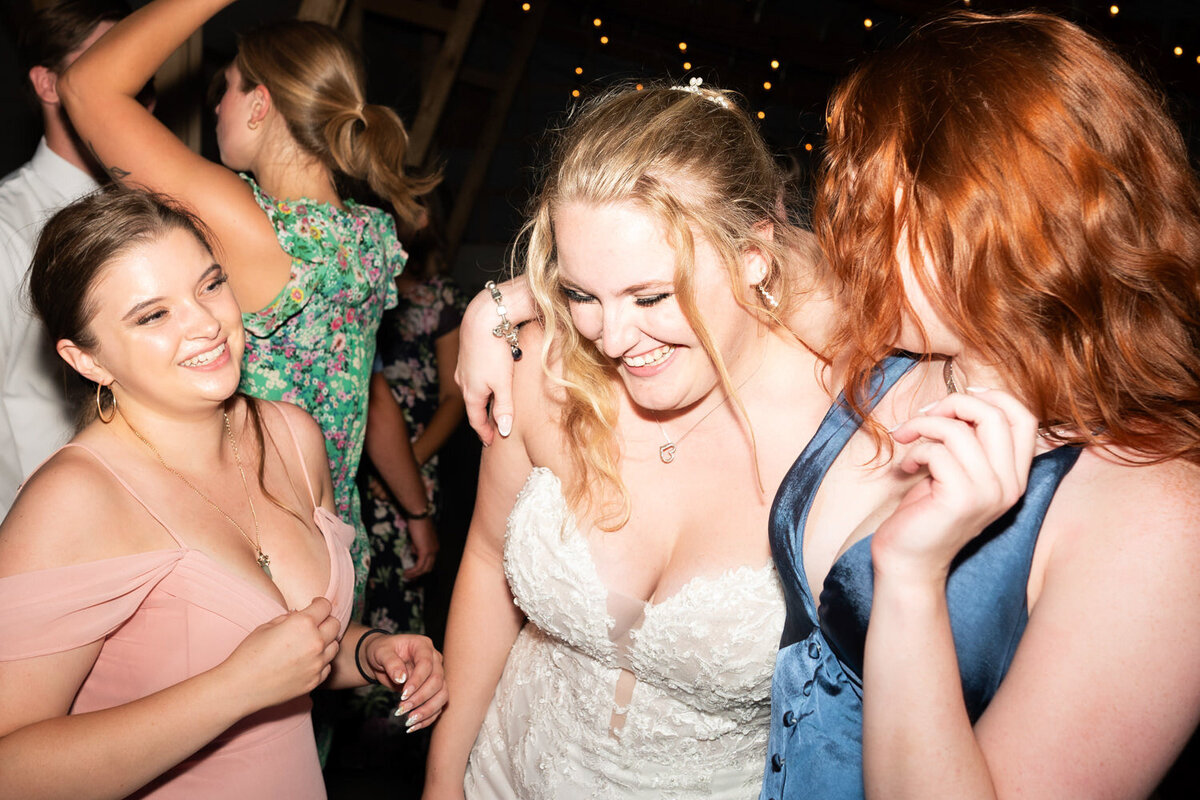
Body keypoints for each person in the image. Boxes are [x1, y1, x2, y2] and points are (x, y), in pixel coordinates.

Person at [760, 11, 1200, 799]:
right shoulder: (901, 341)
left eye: (879, 212)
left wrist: (911, 579)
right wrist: (509, 311)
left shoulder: (1163, 514)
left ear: (999, 220)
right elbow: (705, 264)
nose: (844, 235)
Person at [423, 82, 846, 799]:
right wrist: (443, 777)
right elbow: (489, 561)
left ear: (753, 254)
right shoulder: (545, 369)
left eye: (652, 298)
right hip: (503, 773)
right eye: (582, 295)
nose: (613, 339)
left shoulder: (845, 422)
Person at [0, 186, 446, 799]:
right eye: (153, 315)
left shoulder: (292, 437)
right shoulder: (72, 501)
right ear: (87, 361)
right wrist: (234, 687)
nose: (208, 323)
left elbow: (284, 644)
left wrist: (368, 652)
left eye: (210, 285)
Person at [57, 0, 439, 609]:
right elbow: (369, 392)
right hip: (335, 552)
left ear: (260, 104)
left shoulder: (255, 225)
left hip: (250, 558)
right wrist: (415, 506)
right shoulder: (368, 238)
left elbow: (86, 85)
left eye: (227, 90)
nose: (215, 108)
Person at [0, 0, 130, 516]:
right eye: (107, 60)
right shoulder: (8, 226)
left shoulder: (156, 206)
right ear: (48, 84)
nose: (130, 81)